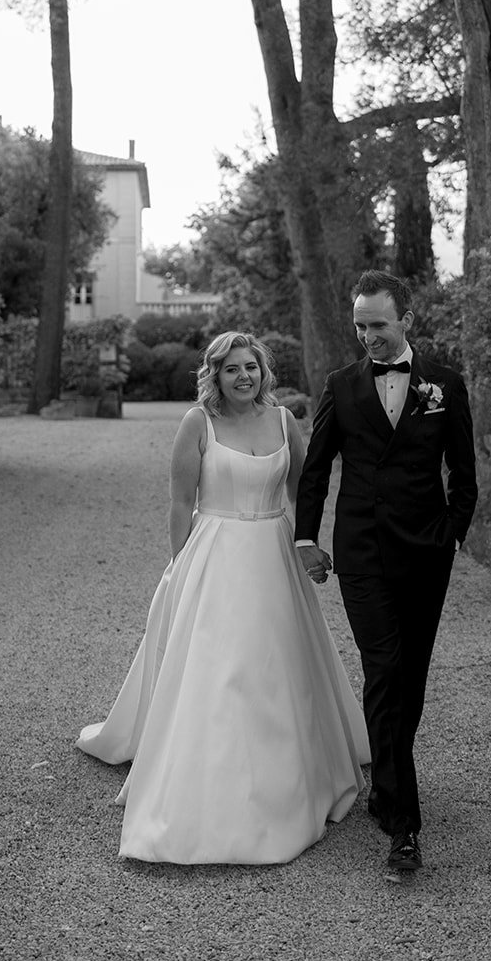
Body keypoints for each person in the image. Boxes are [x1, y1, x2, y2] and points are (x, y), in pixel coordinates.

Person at [77, 331, 370, 865]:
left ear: (264, 372)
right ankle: (215, 781)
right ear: (216, 375)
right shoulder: (199, 423)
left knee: (279, 663)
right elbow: (179, 501)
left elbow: (304, 488)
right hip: (216, 551)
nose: (244, 377)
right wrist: (178, 564)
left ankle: (292, 772)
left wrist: (308, 543)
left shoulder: (283, 420)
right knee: (223, 668)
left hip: (274, 554)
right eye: (232, 369)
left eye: (251, 368)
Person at [295, 269, 477, 879]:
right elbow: (316, 469)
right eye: (359, 325)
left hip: (426, 553)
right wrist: (305, 537)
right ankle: (405, 828)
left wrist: (451, 532)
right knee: (386, 669)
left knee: (412, 679)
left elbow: (465, 475)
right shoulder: (341, 387)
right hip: (363, 554)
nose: (367, 336)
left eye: (377, 324)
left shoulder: (445, 385)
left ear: (406, 322)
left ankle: (385, 787)